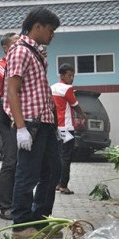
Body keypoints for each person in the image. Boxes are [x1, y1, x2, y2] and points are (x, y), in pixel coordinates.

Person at [3, 7, 62, 239]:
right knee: (27, 174)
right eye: (50, 30)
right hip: (30, 123)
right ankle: (20, 225)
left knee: (52, 170)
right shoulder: (20, 51)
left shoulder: (36, 52)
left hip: (45, 123)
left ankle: (40, 220)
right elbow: (12, 90)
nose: (52, 35)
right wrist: (20, 128)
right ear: (37, 26)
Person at [0, 32, 19, 220]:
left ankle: (20, 202)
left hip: (21, 115)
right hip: (5, 115)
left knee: (22, 162)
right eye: (16, 43)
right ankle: (5, 207)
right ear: (6, 48)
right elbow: (14, 83)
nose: (21, 47)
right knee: (10, 160)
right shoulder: (1, 66)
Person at [51, 63, 84, 195]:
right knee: (66, 157)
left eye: (73, 75)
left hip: (56, 127)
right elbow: (75, 105)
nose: (72, 78)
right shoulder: (67, 88)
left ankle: (57, 183)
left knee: (58, 155)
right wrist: (82, 115)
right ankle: (64, 185)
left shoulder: (52, 88)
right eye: (69, 75)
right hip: (66, 127)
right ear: (62, 75)